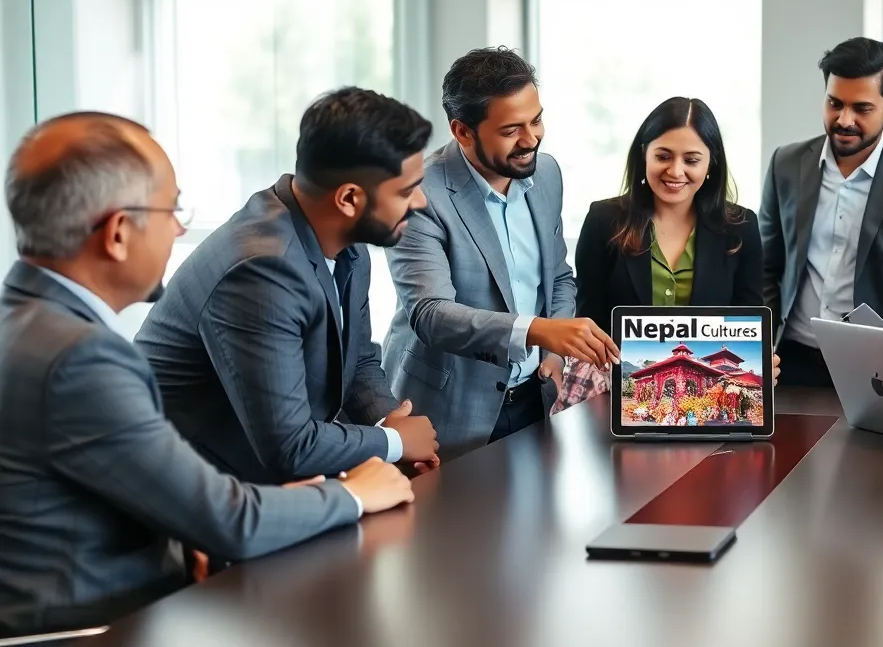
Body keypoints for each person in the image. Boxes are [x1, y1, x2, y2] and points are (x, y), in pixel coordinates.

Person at [0, 113, 414, 637]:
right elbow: (230, 521)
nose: (178, 228)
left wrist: (183, 534)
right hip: (96, 626)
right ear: (119, 233)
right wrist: (355, 492)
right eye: (171, 209)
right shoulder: (79, 359)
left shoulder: (28, 322)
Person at [135, 88, 439, 484]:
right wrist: (392, 442)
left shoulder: (345, 244)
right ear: (348, 198)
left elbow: (358, 359)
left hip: (263, 475)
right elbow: (290, 447)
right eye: (405, 191)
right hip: (188, 491)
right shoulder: (263, 269)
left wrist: (388, 422)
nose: (420, 202)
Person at [381, 47, 619, 460]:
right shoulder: (421, 193)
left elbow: (558, 277)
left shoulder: (546, 175)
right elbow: (431, 314)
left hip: (534, 401)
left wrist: (555, 352)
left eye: (537, 120)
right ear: (462, 131)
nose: (531, 140)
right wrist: (538, 331)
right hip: (444, 413)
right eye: (511, 130)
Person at [759, 37, 883, 388]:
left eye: (861, 108)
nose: (844, 119)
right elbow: (767, 268)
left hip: (875, 370)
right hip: (790, 361)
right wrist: (763, 345)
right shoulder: (786, 163)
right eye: (834, 103)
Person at [575, 96, 763, 331]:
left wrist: (761, 363)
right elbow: (588, 320)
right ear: (644, 154)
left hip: (714, 369)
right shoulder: (603, 220)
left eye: (691, 160)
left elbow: (751, 326)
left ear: (710, 164)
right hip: (617, 367)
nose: (675, 171)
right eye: (663, 157)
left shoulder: (741, 227)